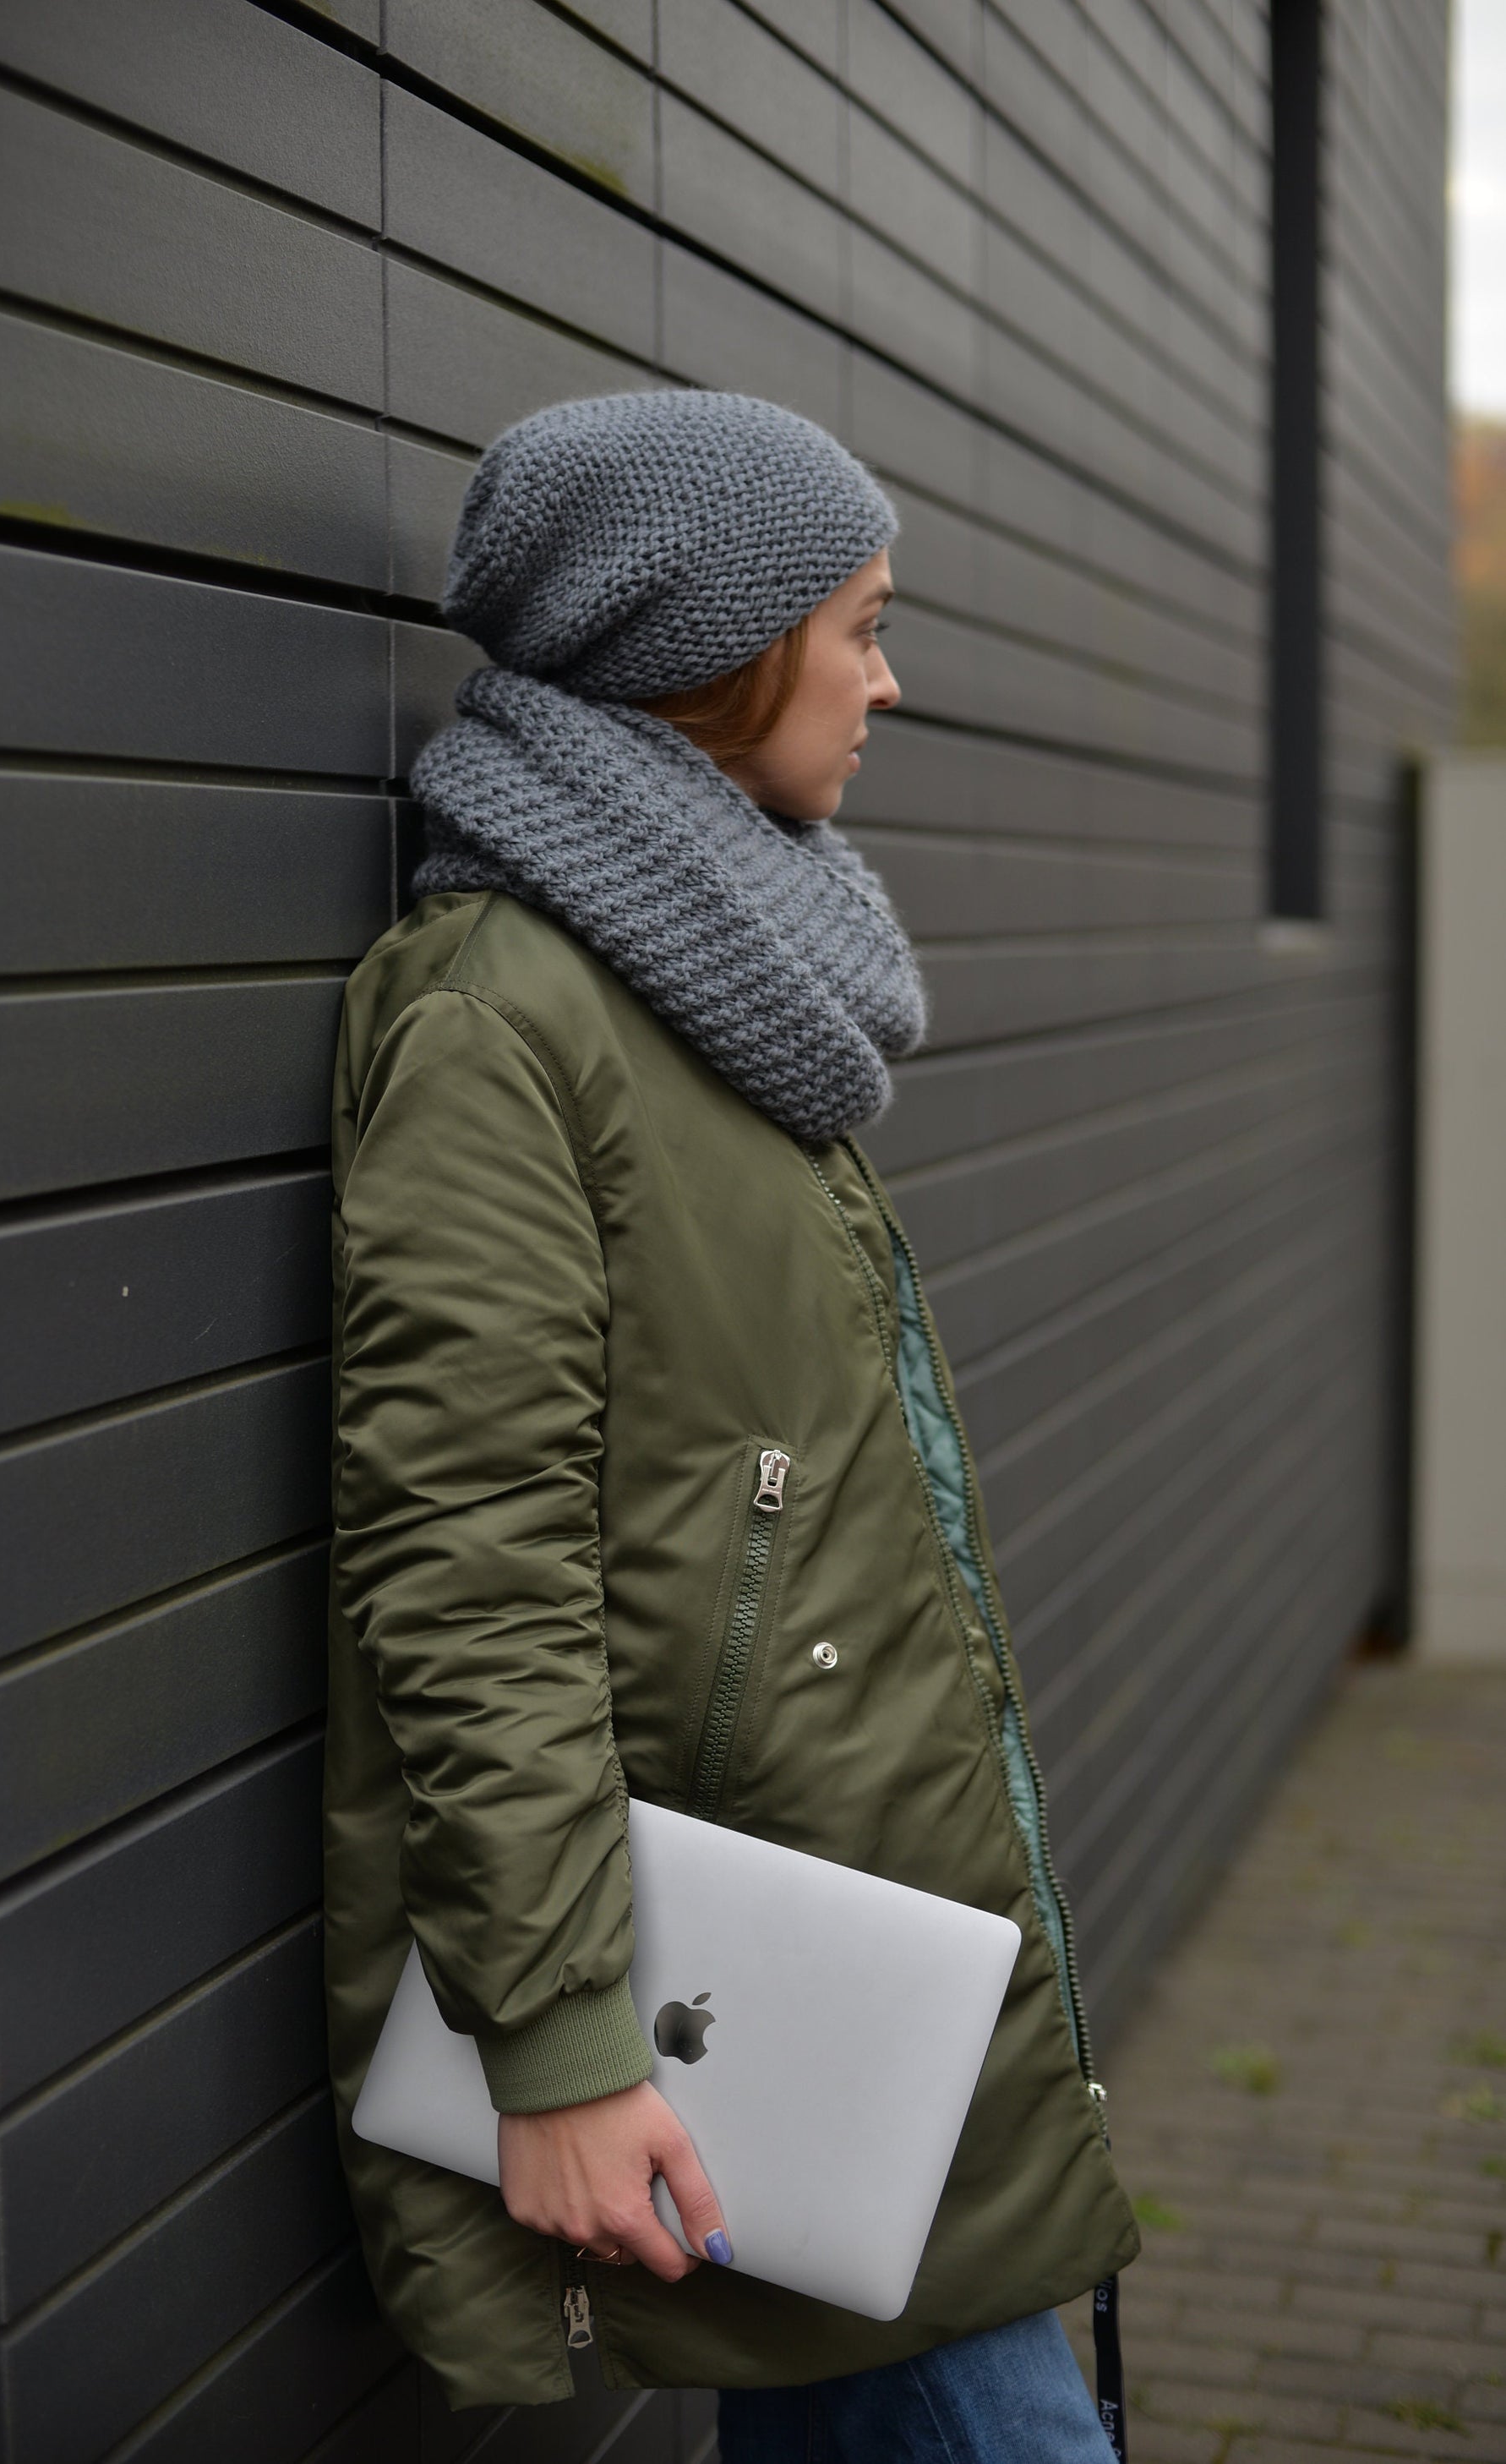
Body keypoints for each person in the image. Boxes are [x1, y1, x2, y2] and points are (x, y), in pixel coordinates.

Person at [325, 390, 1137, 2459]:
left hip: (847, 1922)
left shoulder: (716, 959)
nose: (890, 675)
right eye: (858, 623)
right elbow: (463, 1568)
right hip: (720, 1981)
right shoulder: (500, 1014)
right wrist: (568, 2046)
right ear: (710, 646)